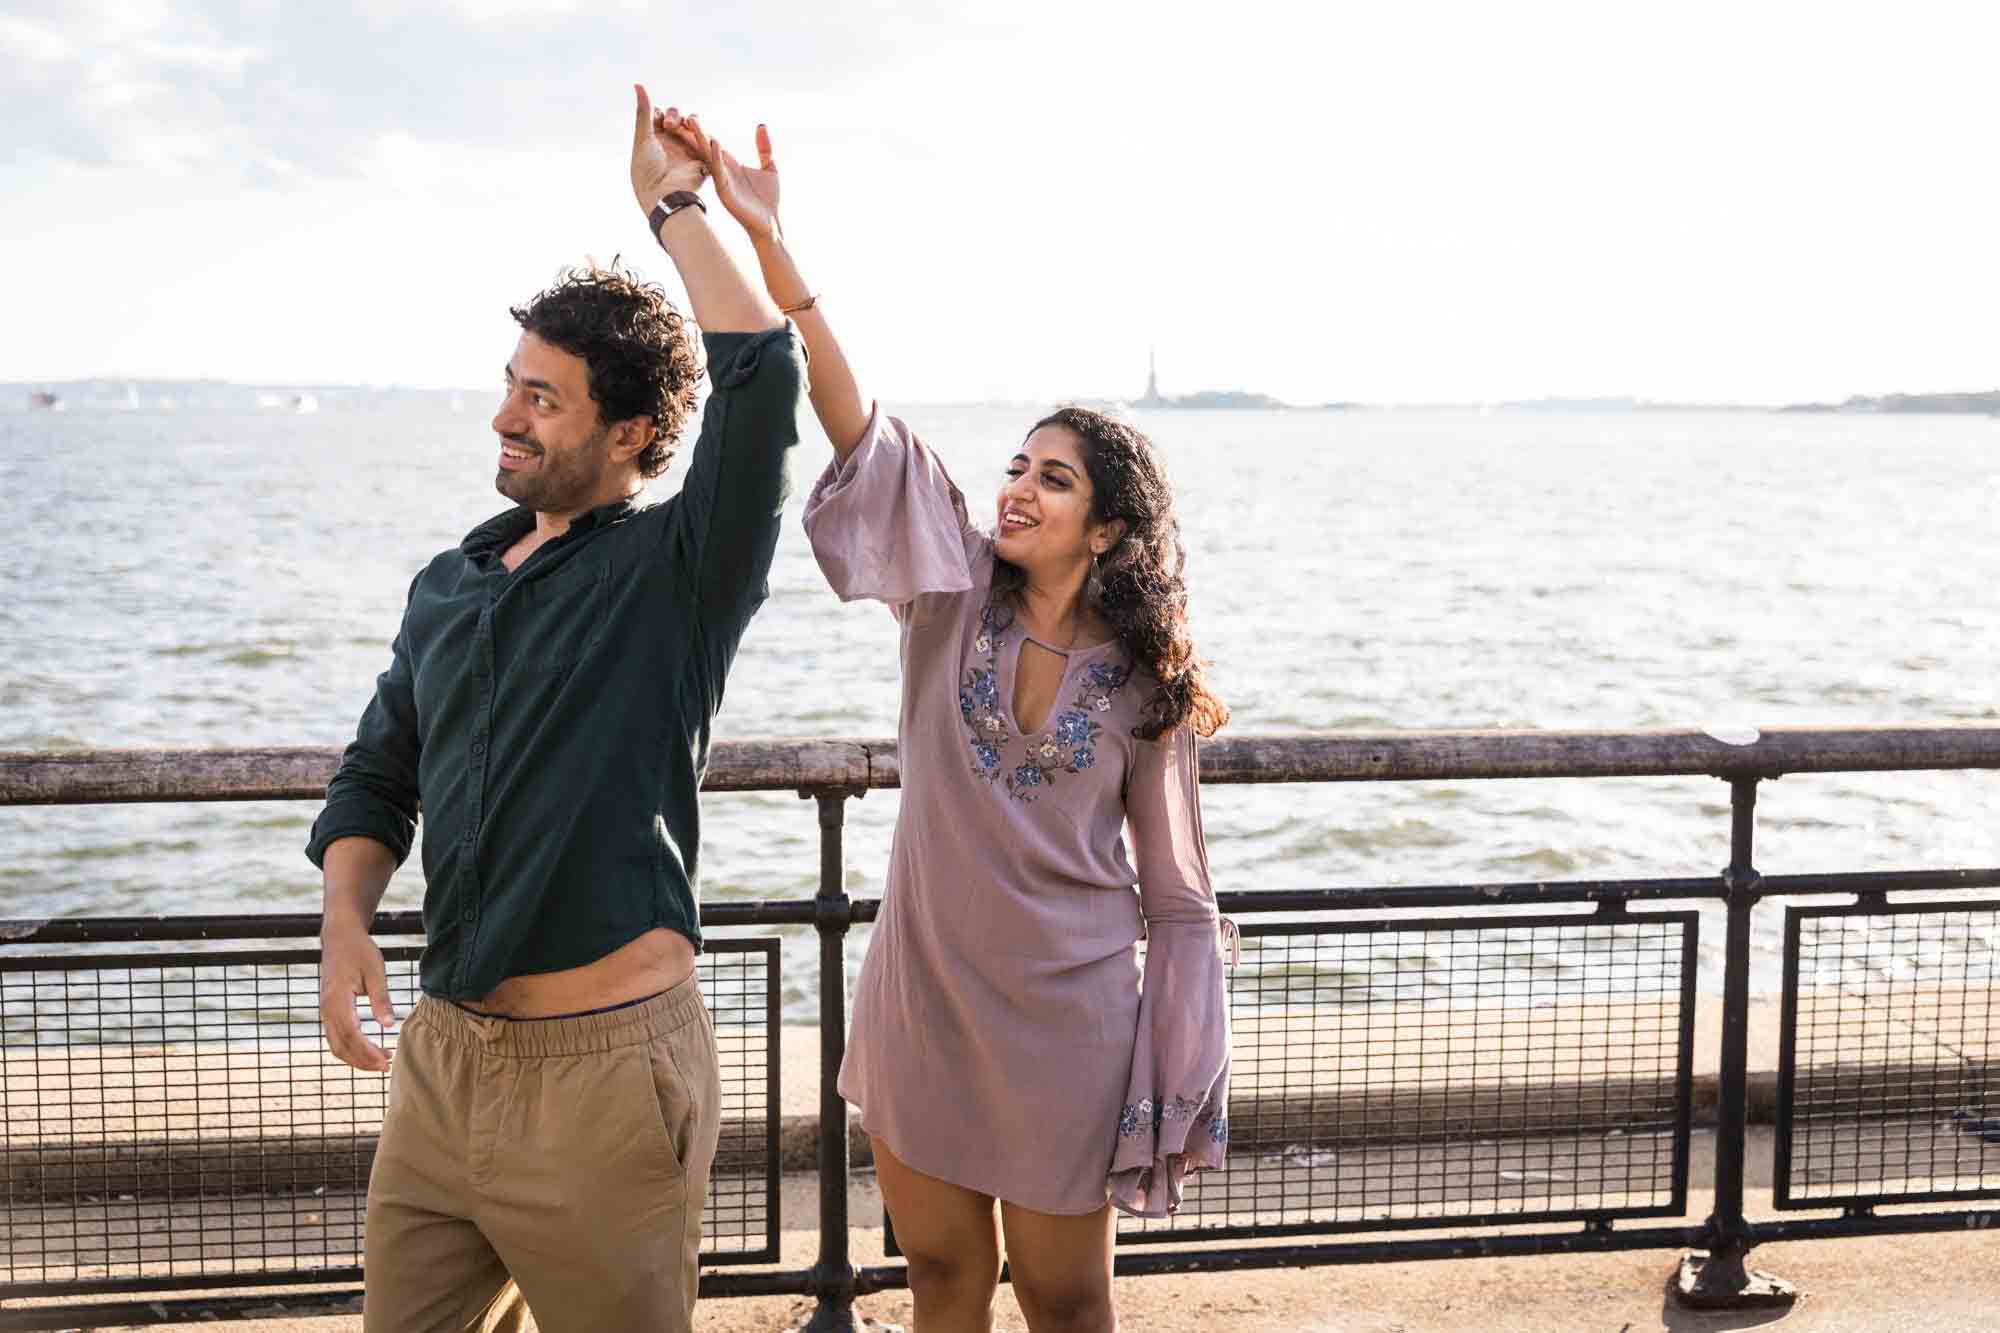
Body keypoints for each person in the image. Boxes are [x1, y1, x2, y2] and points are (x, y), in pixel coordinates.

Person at [688, 118, 1233, 1332]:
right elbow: (853, 418)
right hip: (923, 998)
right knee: (937, 1279)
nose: (1016, 489)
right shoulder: (945, 593)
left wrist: (1176, 1074)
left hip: (1069, 1022)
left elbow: (1179, 894)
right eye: (1015, 465)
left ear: (1105, 530)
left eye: (1053, 478)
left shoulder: (1146, 684)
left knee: (1063, 1296)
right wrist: (768, 239)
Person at [308, 86, 803, 1333]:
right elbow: (378, 773)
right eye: (510, 384)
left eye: (543, 398)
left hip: (603, 1083)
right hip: (439, 1066)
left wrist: (676, 208)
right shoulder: (449, 582)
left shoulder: (676, 574)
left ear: (631, 431)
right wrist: (343, 920)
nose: (504, 416)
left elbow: (759, 373)